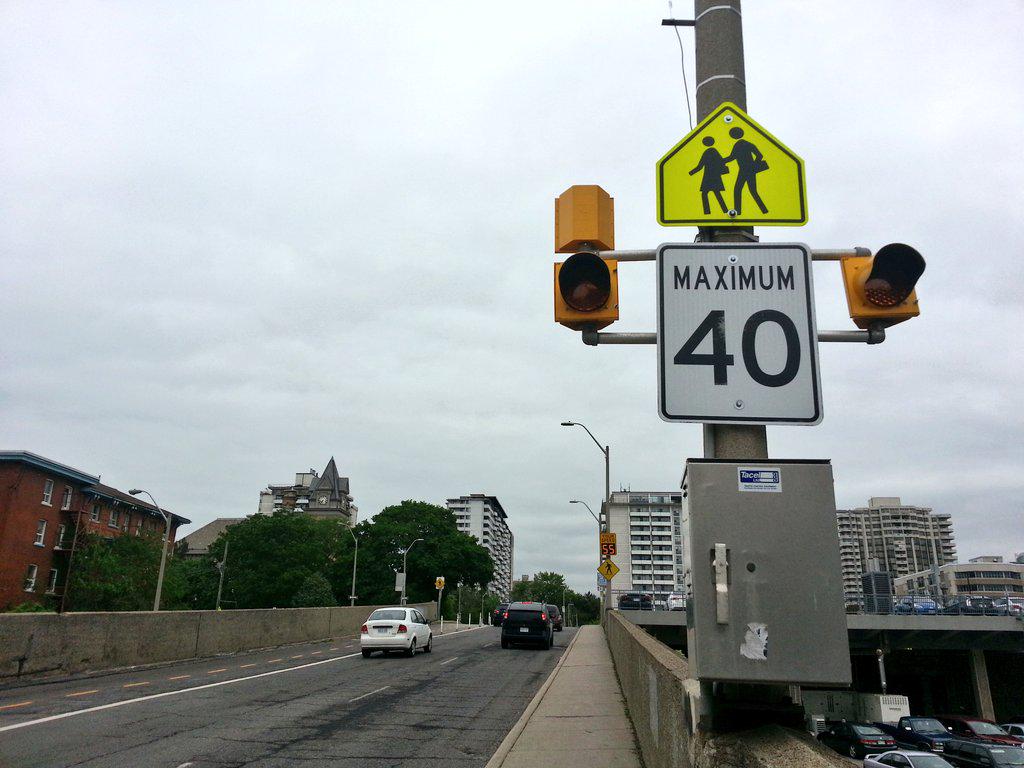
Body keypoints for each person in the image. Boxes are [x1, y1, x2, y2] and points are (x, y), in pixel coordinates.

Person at [723, 127, 769, 215]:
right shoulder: (746, 144)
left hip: (745, 170)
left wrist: (753, 166)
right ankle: (764, 210)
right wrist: (753, 166)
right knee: (751, 191)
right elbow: (759, 156)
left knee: (738, 190)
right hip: (747, 170)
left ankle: (738, 212)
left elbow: (731, 157)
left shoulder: (740, 145)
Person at [688, 136, 729, 215]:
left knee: (705, 193)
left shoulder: (707, 152)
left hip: (709, 177)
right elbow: (722, 161)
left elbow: (700, 166)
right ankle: (725, 210)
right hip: (714, 176)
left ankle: (707, 212)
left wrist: (690, 173)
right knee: (716, 193)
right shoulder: (714, 151)